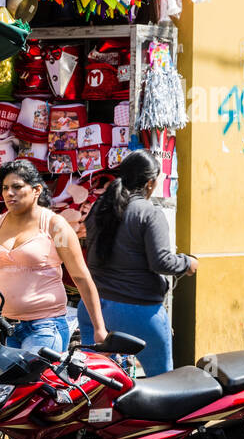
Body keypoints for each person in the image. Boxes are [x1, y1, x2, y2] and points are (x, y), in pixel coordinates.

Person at [0, 160, 109, 439]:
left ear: (36, 190)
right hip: (3, 328)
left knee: (30, 404)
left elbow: (80, 277)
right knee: (2, 404)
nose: (10, 194)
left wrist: (100, 327)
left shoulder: (55, 225)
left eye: (17, 187)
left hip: (45, 327)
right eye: (4, 189)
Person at [79, 150, 197, 375]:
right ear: (150, 183)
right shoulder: (149, 213)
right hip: (137, 312)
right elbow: (161, 262)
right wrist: (187, 263)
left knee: (96, 383)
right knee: (162, 382)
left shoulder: (100, 207)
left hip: (93, 309)